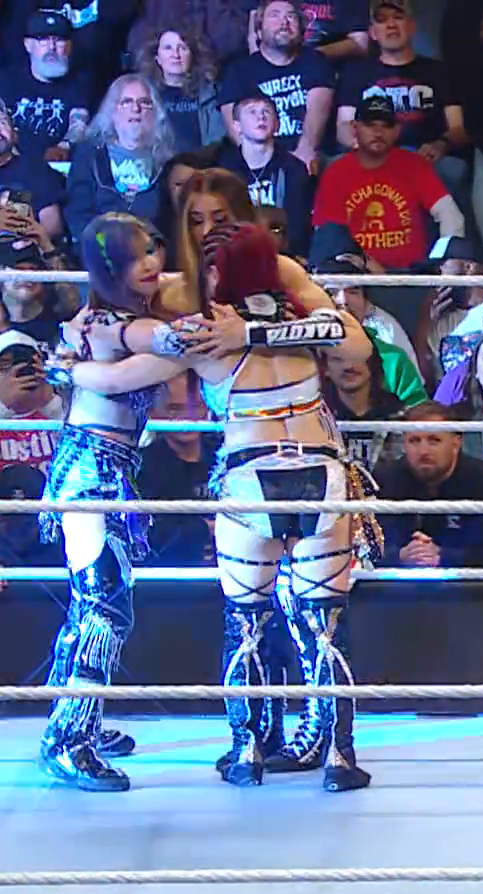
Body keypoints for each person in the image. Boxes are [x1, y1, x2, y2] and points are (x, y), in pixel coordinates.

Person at [64, 222, 380, 793]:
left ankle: (246, 751)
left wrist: (68, 364)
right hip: (322, 474)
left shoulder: (206, 333)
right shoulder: (308, 324)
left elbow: (116, 379)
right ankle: (338, 757)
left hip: (252, 477)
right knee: (323, 624)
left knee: (246, 620)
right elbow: (354, 341)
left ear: (217, 273)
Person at [33, 214, 177, 791]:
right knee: (105, 605)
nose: (152, 265)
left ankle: (76, 721)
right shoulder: (119, 327)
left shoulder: (102, 323)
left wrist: (69, 363)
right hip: (92, 471)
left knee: (93, 602)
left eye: (154, 252)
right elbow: (164, 352)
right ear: (111, 267)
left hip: (104, 468)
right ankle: (68, 740)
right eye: (138, 256)